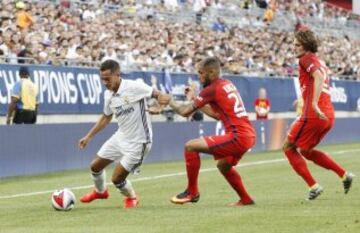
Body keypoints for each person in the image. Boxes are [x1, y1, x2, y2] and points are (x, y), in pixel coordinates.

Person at [159, 57, 256, 206]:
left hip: (238, 136)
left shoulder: (211, 89)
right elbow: (218, 115)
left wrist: (170, 101)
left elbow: (185, 112)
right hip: (248, 134)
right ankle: (246, 199)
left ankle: (192, 192)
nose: (199, 76)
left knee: (190, 146)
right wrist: (194, 99)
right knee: (223, 165)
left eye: (201, 73)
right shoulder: (227, 84)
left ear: (211, 72)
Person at [78, 59, 165, 208]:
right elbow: (106, 117)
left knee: (117, 179)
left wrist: (160, 107)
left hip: (139, 141)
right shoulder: (108, 95)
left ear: (117, 75)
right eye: (102, 79)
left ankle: (131, 198)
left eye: (107, 79)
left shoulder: (134, 87)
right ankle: (100, 192)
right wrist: (89, 136)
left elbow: (159, 95)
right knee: (95, 166)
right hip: (121, 136)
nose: (105, 82)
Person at [283, 29, 355, 200]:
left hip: (313, 114)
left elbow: (318, 78)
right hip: (328, 114)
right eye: (293, 44)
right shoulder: (319, 61)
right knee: (306, 151)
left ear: (306, 45)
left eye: (297, 45)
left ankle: (313, 186)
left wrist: (313, 103)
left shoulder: (305, 59)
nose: (294, 48)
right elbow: (316, 78)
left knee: (288, 147)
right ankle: (344, 175)